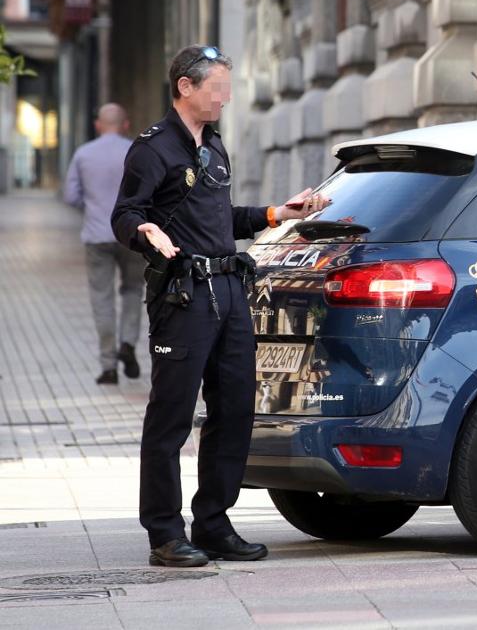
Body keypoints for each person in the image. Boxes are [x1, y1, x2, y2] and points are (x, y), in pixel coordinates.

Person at [111, 45, 328, 568]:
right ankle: (165, 533)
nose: (225, 98)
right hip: (182, 296)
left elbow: (220, 219)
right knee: (171, 417)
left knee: (233, 411)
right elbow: (124, 214)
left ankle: (213, 523)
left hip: (229, 292)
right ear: (186, 87)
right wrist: (145, 231)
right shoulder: (152, 149)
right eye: (217, 87)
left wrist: (279, 212)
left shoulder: (215, 145)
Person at [64, 103, 146, 384]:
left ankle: (108, 365)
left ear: (98, 125)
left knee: (102, 297)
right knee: (134, 289)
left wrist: (93, 209)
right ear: (125, 124)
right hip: (133, 235)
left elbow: (71, 195)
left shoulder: (83, 154)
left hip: (97, 235)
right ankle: (128, 343)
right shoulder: (137, 151)